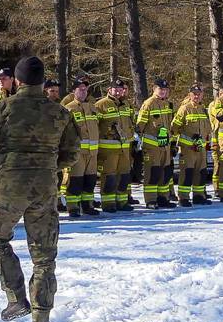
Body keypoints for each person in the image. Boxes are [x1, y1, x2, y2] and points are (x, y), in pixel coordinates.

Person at [0, 56, 81, 322]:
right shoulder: (59, 113)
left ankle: (15, 298)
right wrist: (46, 167)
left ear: (18, 81)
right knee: (44, 256)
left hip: (10, 185)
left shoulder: (3, 108)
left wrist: (5, 169)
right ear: (43, 82)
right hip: (44, 187)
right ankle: (41, 321)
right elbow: (72, 153)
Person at [95, 79, 135, 212]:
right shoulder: (101, 105)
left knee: (124, 175)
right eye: (115, 89)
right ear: (109, 90)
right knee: (109, 176)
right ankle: (108, 203)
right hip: (108, 148)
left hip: (125, 147)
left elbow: (131, 123)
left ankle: (122, 202)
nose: (118, 92)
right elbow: (95, 125)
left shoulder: (126, 104)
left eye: (120, 89)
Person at [136, 79, 176, 209]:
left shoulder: (167, 104)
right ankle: (151, 200)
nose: (163, 91)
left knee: (164, 173)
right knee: (152, 173)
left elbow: (169, 126)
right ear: (154, 89)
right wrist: (137, 142)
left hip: (165, 145)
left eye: (165, 90)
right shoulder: (148, 104)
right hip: (152, 146)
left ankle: (163, 197)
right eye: (160, 89)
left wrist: (173, 142)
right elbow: (140, 125)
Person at [63, 76, 99, 217]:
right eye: (81, 89)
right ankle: (73, 207)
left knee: (89, 181)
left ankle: (87, 205)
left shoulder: (92, 108)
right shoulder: (68, 109)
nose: (84, 92)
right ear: (74, 91)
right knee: (75, 181)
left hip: (92, 152)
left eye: (85, 89)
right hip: (77, 152)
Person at [171, 84, 212, 207]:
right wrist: (176, 143)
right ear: (190, 95)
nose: (197, 96)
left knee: (200, 172)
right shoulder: (184, 109)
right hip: (188, 148)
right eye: (194, 93)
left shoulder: (203, 109)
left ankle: (199, 196)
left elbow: (208, 129)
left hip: (201, 148)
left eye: (199, 94)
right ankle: (183, 198)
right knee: (187, 173)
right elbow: (174, 128)